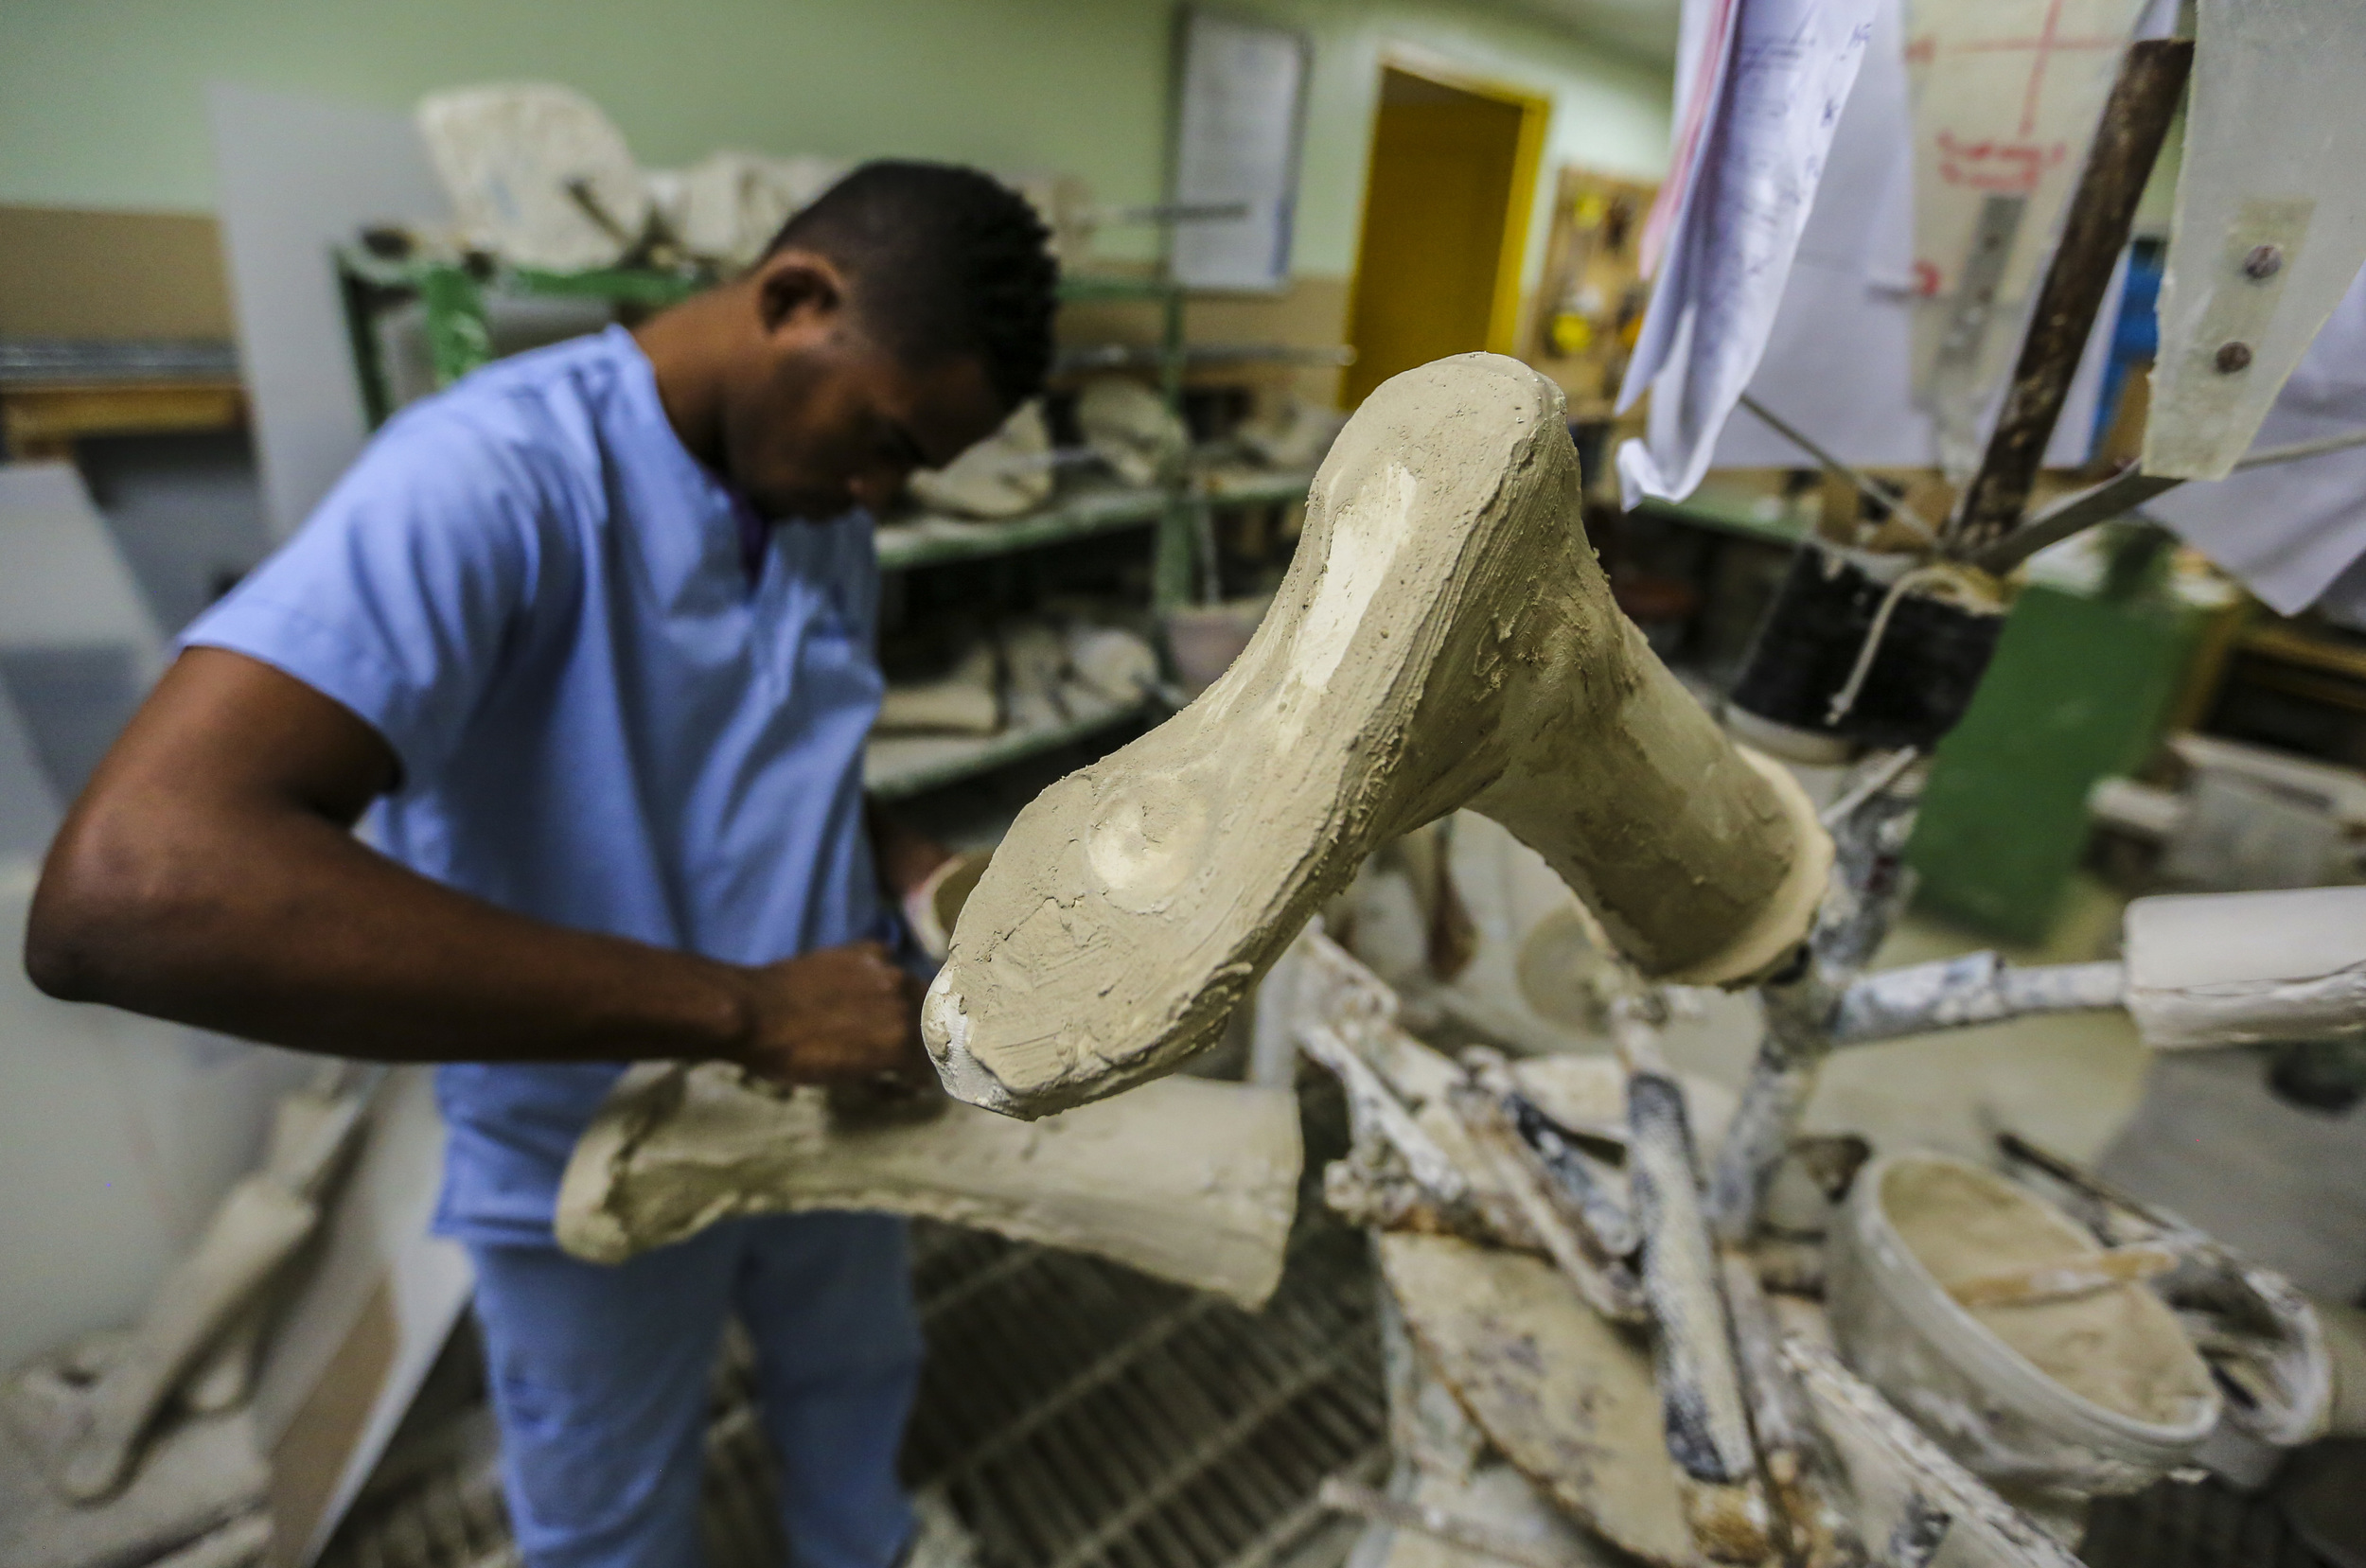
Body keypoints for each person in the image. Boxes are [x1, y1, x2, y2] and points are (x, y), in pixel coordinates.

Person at [26, 160, 1060, 1568]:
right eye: (880, 438)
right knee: (608, 1500)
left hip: (837, 1075)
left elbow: (765, 740)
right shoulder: (490, 477)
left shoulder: (809, 499)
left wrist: (923, 872)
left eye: (914, 468)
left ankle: (863, 1540)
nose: (881, 488)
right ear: (795, 298)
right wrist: (747, 1010)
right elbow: (129, 891)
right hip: (604, 1123)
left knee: (855, 1370)